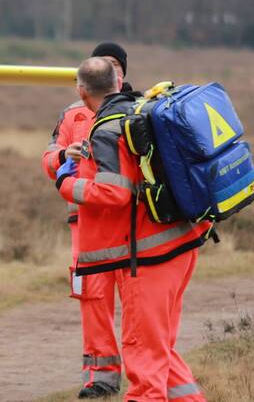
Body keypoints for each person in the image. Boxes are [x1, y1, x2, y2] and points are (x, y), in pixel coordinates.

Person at [57, 57, 210, 402]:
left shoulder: (106, 128)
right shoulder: (140, 110)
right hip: (182, 243)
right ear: (117, 82)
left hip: (149, 257)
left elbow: (114, 192)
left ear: (82, 93)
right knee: (160, 350)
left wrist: (66, 182)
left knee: (142, 356)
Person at [41, 42, 132, 399]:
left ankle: (144, 371)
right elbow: (48, 158)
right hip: (85, 222)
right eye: (104, 67)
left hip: (127, 223)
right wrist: (65, 155)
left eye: (115, 67)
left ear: (122, 74)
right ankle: (101, 376)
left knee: (135, 297)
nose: (111, 73)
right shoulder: (71, 116)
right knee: (92, 297)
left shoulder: (136, 111)